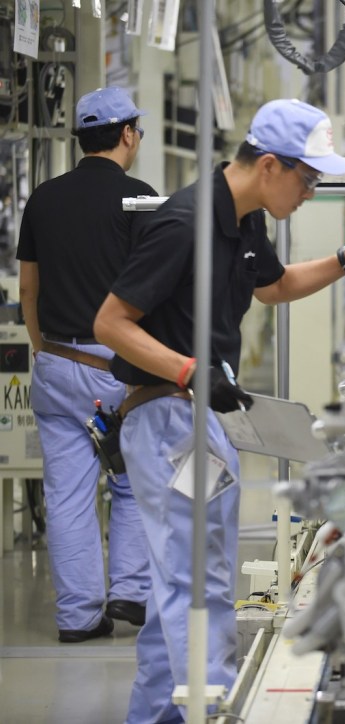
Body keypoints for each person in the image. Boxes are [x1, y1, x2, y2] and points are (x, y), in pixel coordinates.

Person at [93, 98, 345, 723]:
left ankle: (156, 715)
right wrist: (189, 371)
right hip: (169, 421)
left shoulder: (244, 221)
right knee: (199, 584)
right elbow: (110, 323)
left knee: (183, 583)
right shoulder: (184, 223)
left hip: (196, 419)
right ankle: (212, 709)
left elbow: (272, 287)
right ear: (269, 164)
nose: (311, 190)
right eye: (308, 177)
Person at [17, 86, 155, 643]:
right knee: (135, 480)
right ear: (126, 133)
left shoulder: (43, 199)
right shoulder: (141, 198)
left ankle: (78, 618)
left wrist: (43, 348)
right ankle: (130, 592)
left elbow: (29, 286)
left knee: (68, 495)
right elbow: (159, 286)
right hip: (119, 368)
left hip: (54, 361)